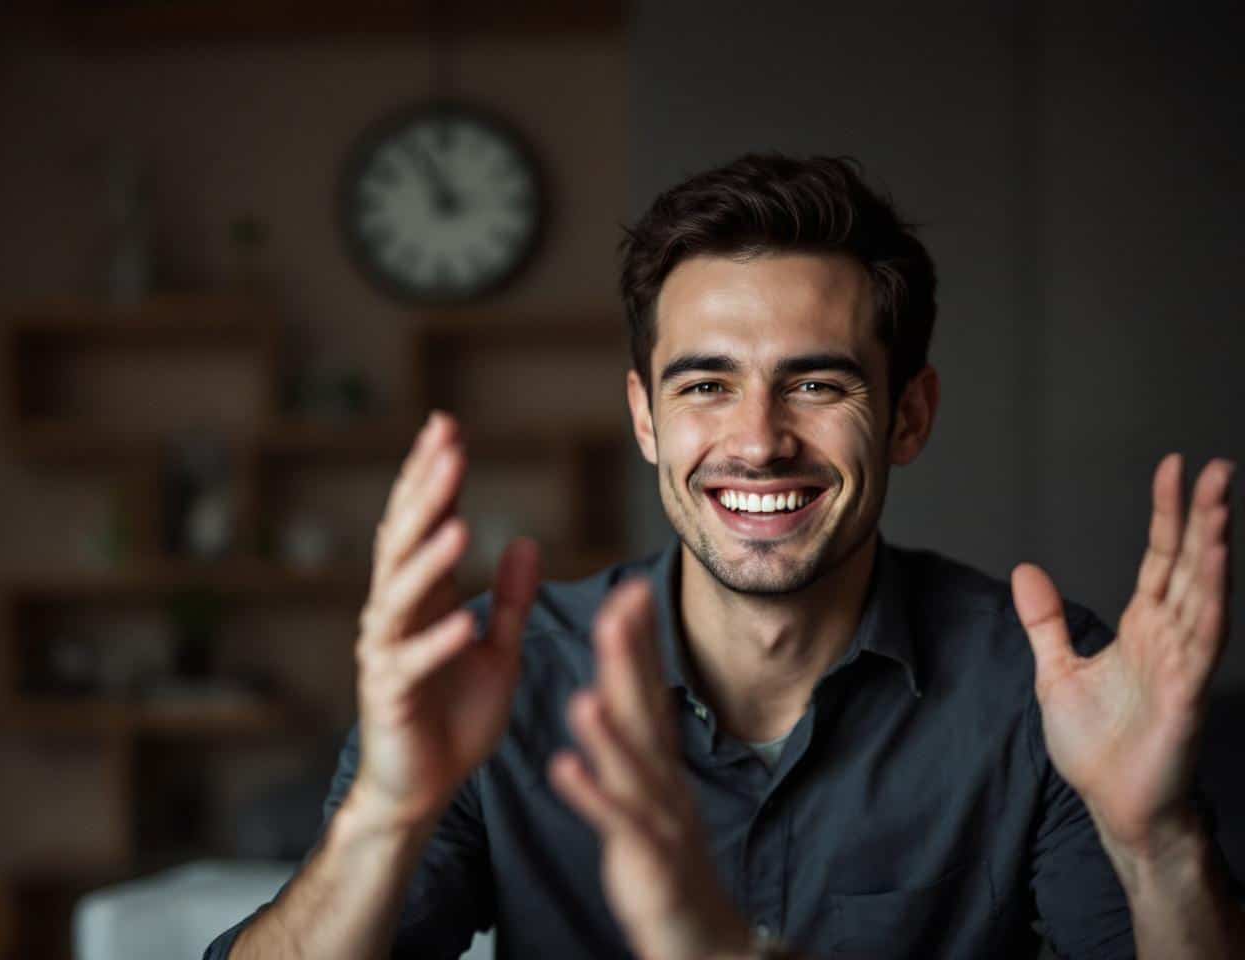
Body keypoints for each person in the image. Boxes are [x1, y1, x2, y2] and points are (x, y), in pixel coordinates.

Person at [206, 154, 1242, 958]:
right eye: (705, 384)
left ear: (910, 415)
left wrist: (1158, 845)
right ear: (644, 417)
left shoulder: (1046, 694)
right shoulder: (496, 681)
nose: (756, 439)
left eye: (817, 384)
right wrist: (385, 816)